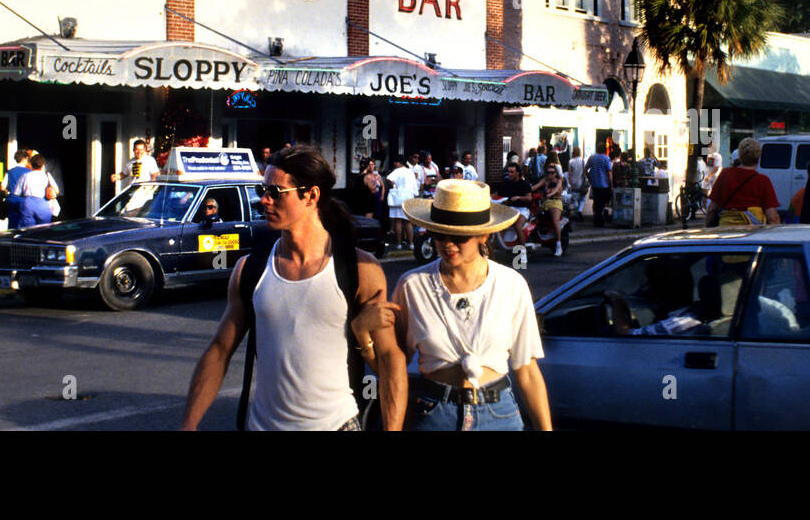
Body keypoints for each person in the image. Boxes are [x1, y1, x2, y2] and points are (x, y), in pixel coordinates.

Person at [180, 145, 406, 430]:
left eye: (275, 192)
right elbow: (219, 351)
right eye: (263, 191)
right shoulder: (250, 269)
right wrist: (188, 425)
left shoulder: (359, 269)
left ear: (311, 195)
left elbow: (389, 358)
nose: (263, 200)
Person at [355, 178, 551, 431]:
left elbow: (526, 369)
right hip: (433, 414)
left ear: (483, 234)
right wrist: (362, 334)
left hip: (499, 415)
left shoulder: (511, 285)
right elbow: (392, 367)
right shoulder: (412, 286)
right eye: (439, 234)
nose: (447, 243)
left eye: (459, 236)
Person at [607, 258, 705, 336]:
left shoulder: (675, 325)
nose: (645, 289)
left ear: (660, 290)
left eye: (649, 285)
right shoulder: (696, 312)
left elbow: (624, 332)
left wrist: (617, 300)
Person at [706, 137, 781, 226]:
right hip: (753, 234)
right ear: (759, 157)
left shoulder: (725, 174)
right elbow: (772, 217)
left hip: (726, 232)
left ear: (740, 156)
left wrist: (707, 228)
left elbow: (712, 209)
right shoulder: (763, 181)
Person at [533, 161, 566, 255]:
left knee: (555, 220)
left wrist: (550, 194)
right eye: (548, 172)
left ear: (556, 173)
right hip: (545, 202)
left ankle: (559, 245)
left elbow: (557, 189)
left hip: (555, 202)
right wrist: (525, 190)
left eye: (552, 172)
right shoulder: (545, 180)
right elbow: (535, 187)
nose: (550, 174)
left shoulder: (559, 180)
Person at [386, 154, 418, 249]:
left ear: (398, 163)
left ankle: (399, 244)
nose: (395, 165)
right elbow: (415, 187)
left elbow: (388, 179)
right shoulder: (410, 172)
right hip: (408, 198)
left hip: (397, 198)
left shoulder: (396, 171)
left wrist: (394, 186)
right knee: (408, 222)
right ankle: (411, 243)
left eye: (395, 163)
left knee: (398, 221)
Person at [14, 153, 55, 226]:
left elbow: (17, 192)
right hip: (43, 203)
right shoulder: (46, 175)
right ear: (43, 165)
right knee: (44, 229)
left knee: (29, 230)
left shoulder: (25, 176)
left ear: (31, 165)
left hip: (28, 204)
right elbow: (56, 189)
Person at [586, 140, 613, 227]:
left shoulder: (592, 158)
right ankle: (600, 219)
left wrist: (589, 178)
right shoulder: (606, 158)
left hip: (595, 184)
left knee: (596, 201)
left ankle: (596, 218)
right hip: (604, 184)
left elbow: (586, 169)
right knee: (603, 202)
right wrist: (611, 184)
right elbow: (609, 172)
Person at [3, 148, 32, 228]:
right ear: (25, 158)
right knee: (25, 224)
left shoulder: (10, 171)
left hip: (11, 200)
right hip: (24, 200)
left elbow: (2, 186)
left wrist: (7, 190)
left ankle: (12, 238)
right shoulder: (29, 172)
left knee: (12, 224)